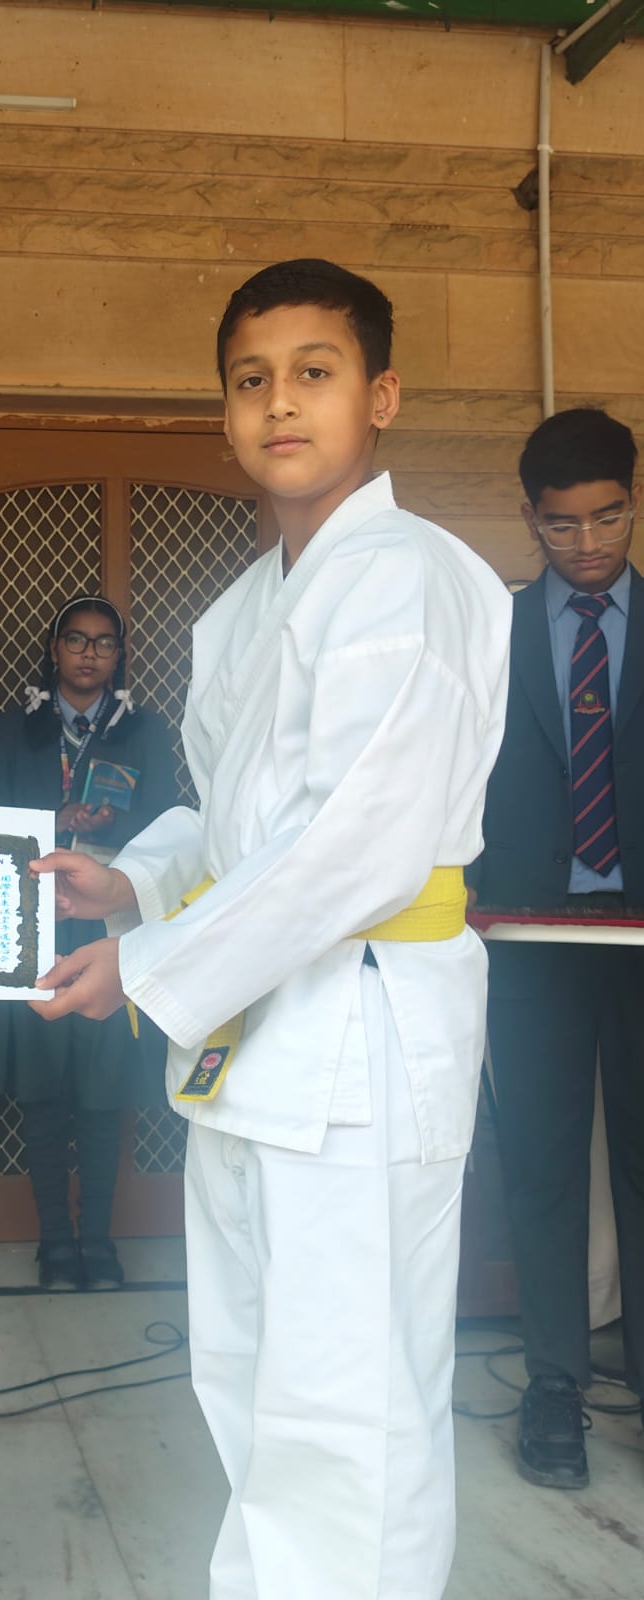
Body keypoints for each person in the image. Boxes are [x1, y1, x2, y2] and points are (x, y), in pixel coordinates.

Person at [30, 261, 512, 1597]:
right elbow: (230, 814)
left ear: (383, 396)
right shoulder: (247, 604)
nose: (281, 403)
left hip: (363, 1019)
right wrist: (132, 881)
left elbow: (353, 845)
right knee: (250, 1374)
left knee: (349, 1404)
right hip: (254, 1037)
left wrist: (147, 966)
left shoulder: (409, 577)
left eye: (315, 372)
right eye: (252, 380)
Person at [470, 407, 644, 1491]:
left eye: (608, 517)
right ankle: (553, 1386)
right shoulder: (489, 633)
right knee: (539, 1164)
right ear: (529, 518)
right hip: (528, 939)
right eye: (562, 524)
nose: (587, 542)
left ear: (634, 499)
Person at [0, 596, 178, 1291]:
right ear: (54, 649)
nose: (89, 654)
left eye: (104, 643)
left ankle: (98, 1241)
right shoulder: (16, 729)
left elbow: (169, 826)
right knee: (42, 1091)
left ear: (119, 655)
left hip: (112, 927)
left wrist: (108, 830)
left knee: (103, 1091)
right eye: (76, 640)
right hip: (31, 923)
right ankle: (54, 1244)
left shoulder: (144, 730)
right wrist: (52, 816)